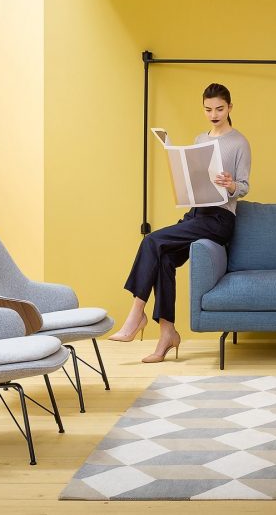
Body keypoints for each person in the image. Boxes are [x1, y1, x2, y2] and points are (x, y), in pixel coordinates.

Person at [110, 83, 251, 363]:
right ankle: (167, 334)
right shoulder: (200, 140)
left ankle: (136, 314)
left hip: (220, 218)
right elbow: (196, 179)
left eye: (220, 109)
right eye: (208, 109)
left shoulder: (239, 142)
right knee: (162, 257)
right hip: (196, 213)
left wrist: (231, 184)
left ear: (230, 108)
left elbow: (244, 186)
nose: (214, 114)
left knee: (152, 240)